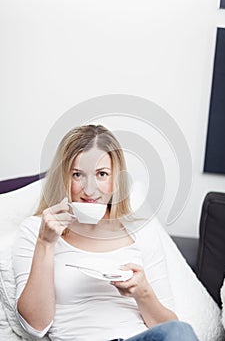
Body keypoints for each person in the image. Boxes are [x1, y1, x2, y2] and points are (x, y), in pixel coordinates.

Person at [12, 125, 198, 341]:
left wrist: (142, 293)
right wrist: (45, 242)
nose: (90, 189)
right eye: (78, 174)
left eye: (101, 174)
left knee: (181, 331)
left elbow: (171, 329)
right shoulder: (36, 230)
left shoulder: (142, 231)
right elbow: (35, 327)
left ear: (116, 179)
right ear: (64, 177)